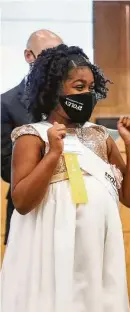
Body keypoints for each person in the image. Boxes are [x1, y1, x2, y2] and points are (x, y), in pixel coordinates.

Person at [0, 44, 130, 312]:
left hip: (96, 252)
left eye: (90, 88)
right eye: (79, 87)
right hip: (51, 249)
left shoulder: (101, 136)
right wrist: (54, 153)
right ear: (53, 89)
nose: (87, 94)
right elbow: (21, 202)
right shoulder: (31, 136)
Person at [1, 29, 63, 244]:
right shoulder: (6, 104)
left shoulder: (72, 99)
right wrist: (51, 155)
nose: (55, 64)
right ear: (29, 56)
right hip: (28, 209)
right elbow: (7, 167)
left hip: (70, 208)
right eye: (49, 56)